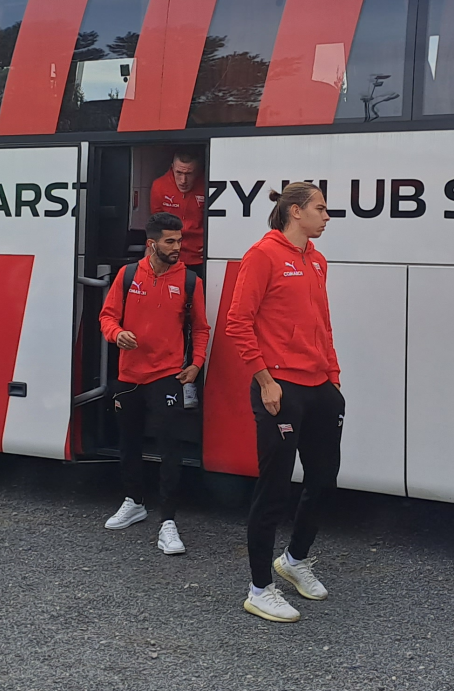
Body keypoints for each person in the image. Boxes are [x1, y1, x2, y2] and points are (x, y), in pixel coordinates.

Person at [226, 182, 343, 623]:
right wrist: (265, 379)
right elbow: (238, 322)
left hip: (319, 386)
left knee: (324, 480)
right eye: (321, 208)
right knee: (274, 489)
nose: (327, 217)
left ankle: (294, 561)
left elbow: (323, 326)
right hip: (279, 387)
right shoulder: (263, 255)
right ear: (295, 211)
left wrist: (333, 379)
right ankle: (260, 589)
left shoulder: (317, 260)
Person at [99, 212, 210, 555]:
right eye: (170, 241)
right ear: (151, 244)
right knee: (128, 442)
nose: (178, 247)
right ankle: (134, 501)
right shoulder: (128, 275)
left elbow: (201, 328)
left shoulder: (190, 281)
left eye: (180, 241)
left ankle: (168, 522)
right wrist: (117, 334)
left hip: (167, 375)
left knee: (169, 448)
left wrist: (196, 364)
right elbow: (107, 316)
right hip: (129, 376)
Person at [149, 150, 205, 268]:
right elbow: (156, 223)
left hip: (199, 255)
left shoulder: (208, 185)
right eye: (179, 172)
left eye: (189, 174)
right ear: (172, 168)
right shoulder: (159, 186)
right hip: (169, 253)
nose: (183, 180)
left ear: (198, 171)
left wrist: (212, 244)